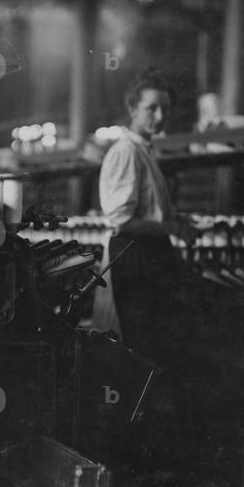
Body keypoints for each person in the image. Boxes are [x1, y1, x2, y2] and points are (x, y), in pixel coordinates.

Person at [92, 71, 195, 366]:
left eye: (165, 108)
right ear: (133, 109)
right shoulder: (127, 153)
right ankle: (142, 408)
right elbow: (122, 221)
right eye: (152, 108)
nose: (160, 116)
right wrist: (172, 227)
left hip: (150, 250)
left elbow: (145, 211)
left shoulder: (144, 151)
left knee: (157, 338)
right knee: (143, 341)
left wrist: (176, 221)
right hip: (136, 252)